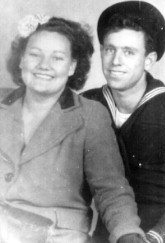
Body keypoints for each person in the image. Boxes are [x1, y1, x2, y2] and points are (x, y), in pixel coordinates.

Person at [0, 14, 145, 243]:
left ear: (72, 67)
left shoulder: (91, 115)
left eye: (57, 58)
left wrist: (127, 233)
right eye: (35, 54)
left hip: (56, 236)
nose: (43, 66)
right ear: (21, 60)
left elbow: (111, 190)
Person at [83, 1, 165, 243]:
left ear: (149, 60)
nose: (115, 61)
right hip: (106, 234)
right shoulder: (87, 104)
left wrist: (156, 237)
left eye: (129, 52)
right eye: (109, 49)